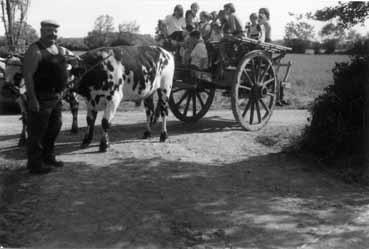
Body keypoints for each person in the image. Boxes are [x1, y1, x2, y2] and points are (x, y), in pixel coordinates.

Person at [23, 20, 71, 174]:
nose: (53, 33)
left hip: (56, 97)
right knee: (37, 132)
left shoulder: (58, 49)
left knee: (54, 128)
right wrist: (32, 99)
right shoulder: (35, 50)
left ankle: (48, 157)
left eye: (55, 31)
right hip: (41, 97)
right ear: (42, 31)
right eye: (49, 30)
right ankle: (35, 164)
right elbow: (28, 76)